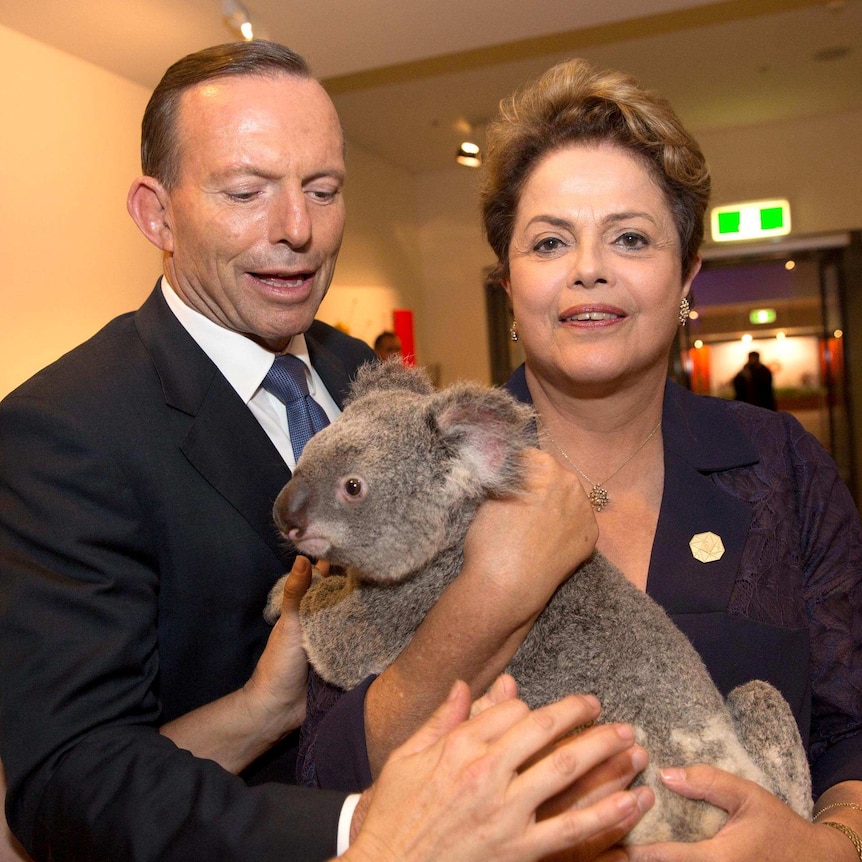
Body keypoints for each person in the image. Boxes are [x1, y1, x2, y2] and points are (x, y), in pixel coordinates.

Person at [0, 41, 653, 861]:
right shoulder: (66, 429)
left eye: (323, 190)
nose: (298, 231)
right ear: (156, 213)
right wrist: (358, 830)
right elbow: (72, 779)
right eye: (246, 192)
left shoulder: (369, 382)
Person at [300, 58, 862, 860]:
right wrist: (492, 594)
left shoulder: (782, 467)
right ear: (508, 283)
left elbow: (852, 727)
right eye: (550, 241)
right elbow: (328, 774)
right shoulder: (407, 472)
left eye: (630, 237)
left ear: (687, 274)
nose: (588, 268)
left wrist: (830, 847)